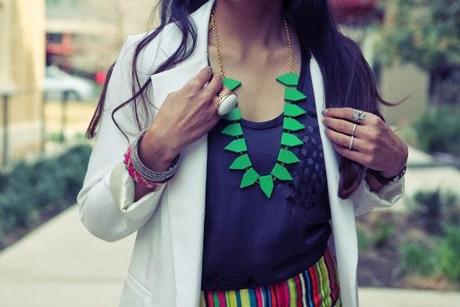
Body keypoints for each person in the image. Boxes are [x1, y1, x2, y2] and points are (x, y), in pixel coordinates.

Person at [77, 0, 408, 306]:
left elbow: (344, 200)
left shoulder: (337, 61)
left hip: (315, 295)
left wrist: (391, 165)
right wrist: (156, 148)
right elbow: (99, 217)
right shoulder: (150, 60)